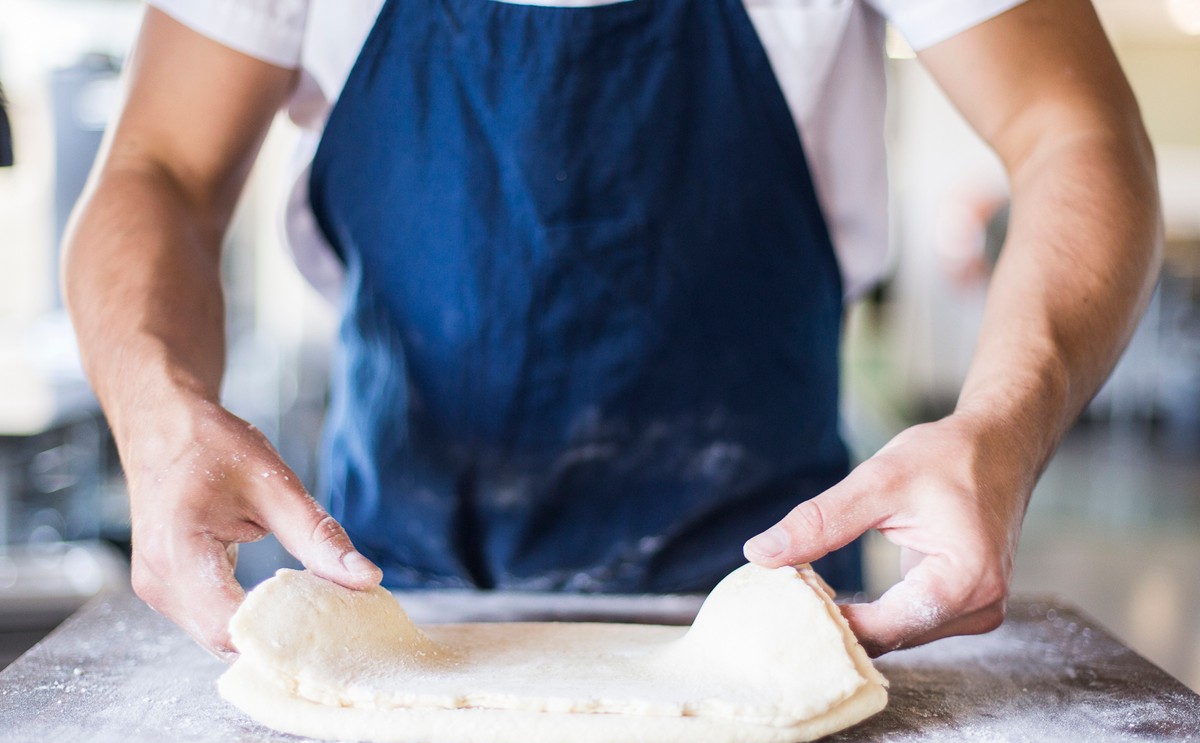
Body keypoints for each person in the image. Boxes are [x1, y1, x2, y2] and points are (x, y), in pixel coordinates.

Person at [63, 0, 1161, 662]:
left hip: (771, 611)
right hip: (382, 607)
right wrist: (156, 411)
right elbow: (158, 168)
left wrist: (1002, 427)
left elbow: (1072, 131)